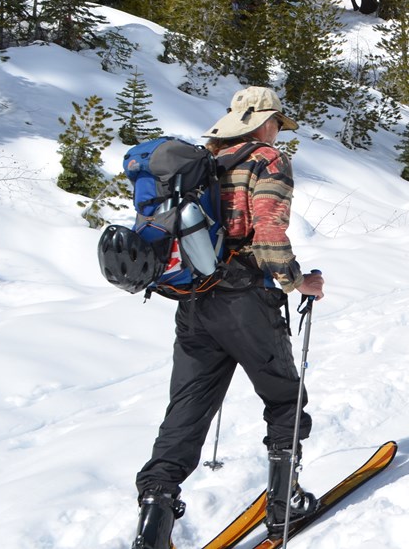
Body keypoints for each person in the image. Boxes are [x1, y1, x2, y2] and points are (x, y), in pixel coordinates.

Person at [131, 87, 325, 549]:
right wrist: (298, 281)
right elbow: (269, 232)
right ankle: (283, 505)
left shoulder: (205, 162)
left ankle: (154, 519)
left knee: (186, 413)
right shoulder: (266, 159)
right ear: (264, 121)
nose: (279, 130)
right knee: (284, 399)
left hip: (194, 300)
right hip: (245, 302)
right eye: (278, 121)